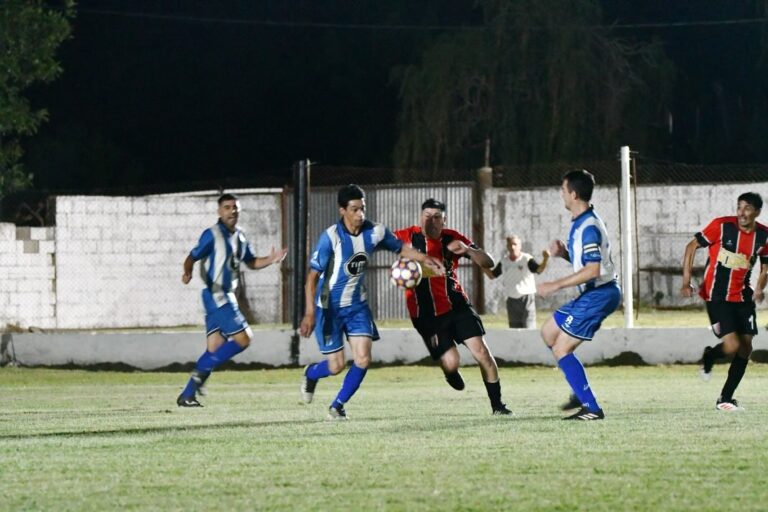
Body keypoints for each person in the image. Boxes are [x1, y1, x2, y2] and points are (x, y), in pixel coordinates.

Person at [299, 184, 444, 421]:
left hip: (357, 306)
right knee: (335, 366)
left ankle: (337, 406)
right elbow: (311, 278)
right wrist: (308, 313)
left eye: (362, 209)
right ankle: (311, 374)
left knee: (363, 359)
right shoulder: (331, 237)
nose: (360, 214)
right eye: (354, 209)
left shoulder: (375, 232)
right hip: (329, 309)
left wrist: (425, 259)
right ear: (342, 210)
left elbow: (400, 249)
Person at [394, 198, 513, 416]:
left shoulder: (452, 238)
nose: (431, 221)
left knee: (482, 353)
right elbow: (378, 240)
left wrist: (468, 250)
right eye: (427, 215)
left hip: (457, 305)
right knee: (451, 362)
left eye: (436, 217)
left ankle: (498, 406)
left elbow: (488, 262)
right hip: (426, 315)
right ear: (420, 217)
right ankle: (450, 371)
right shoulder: (406, 236)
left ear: (444, 220)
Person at [176, 193, 287, 407]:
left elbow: (252, 262)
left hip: (226, 296)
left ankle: (188, 395)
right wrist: (187, 272)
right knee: (244, 339)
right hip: (217, 295)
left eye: (235, 208)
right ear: (219, 211)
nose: (232, 211)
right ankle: (201, 371)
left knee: (215, 347)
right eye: (227, 207)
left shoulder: (240, 237)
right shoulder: (212, 235)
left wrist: (271, 259)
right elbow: (192, 256)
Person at [537, 170, 621, 421]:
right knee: (549, 332)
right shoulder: (580, 221)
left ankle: (592, 408)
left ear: (573, 194)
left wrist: (556, 285)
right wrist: (564, 254)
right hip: (593, 293)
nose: (561, 194)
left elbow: (593, 270)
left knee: (562, 348)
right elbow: (587, 263)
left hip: (600, 294)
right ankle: (578, 389)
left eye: (563, 190)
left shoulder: (588, 227)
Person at [680, 192, 768, 412]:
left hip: (743, 297)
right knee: (732, 346)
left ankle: (725, 398)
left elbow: (765, 265)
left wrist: (759, 288)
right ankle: (710, 355)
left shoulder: (764, 235)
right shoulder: (721, 226)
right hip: (716, 296)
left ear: (757, 212)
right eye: (739, 207)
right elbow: (691, 246)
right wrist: (686, 281)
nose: (741, 212)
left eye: (747, 208)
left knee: (746, 347)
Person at [483, 235, 549, 328]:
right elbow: (492, 275)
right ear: (507, 247)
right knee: (514, 331)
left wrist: (545, 258)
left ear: (520, 246)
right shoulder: (504, 261)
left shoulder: (526, 259)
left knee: (528, 330)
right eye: (510, 245)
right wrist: (481, 264)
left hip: (526, 299)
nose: (512, 247)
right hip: (511, 300)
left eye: (515, 244)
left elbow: (539, 270)